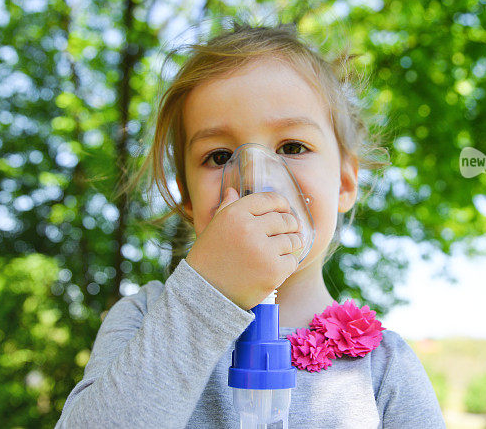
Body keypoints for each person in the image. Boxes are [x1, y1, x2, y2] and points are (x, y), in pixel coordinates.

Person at [55, 22, 446, 428]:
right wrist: (206, 293)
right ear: (189, 200)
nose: (256, 178)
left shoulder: (383, 367)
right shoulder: (145, 319)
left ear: (345, 182)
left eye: (292, 147)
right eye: (220, 156)